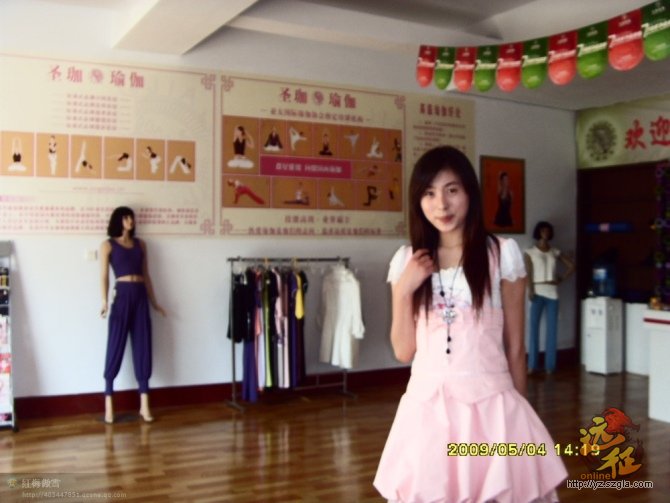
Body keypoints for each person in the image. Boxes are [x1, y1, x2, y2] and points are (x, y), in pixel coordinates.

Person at [374, 146, 567, 502]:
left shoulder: (502, 254)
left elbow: (515, 347)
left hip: (492, 410)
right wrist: (403, 290)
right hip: (427, 411)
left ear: (469, 192)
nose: (441, 205)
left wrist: (518, 420)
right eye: (429, 193)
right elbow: (403, 351)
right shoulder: (407, 261)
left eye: (452, 190)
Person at [100, 207, 166, 424]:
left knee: (143, 346)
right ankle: (109, 404)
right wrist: (104, 301)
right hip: (122, 297)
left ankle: (144, 406)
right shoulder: (108, 245)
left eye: (132, 217)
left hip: (140, 297)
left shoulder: (141, 244)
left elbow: (146, 274)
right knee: (115, 345)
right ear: (119, 220)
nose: (131, 221)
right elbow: (104, 276)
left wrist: (154, 302)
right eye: (126, 217)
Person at [524, 221, 575, 375]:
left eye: (547, 231)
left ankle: (550, 366)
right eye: (543, 231)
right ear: (538, 233)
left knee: (552, 330)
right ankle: (532, 364)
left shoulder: (555, 251)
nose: (545, 234)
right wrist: (530, 289)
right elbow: (528, 273)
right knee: (533, 328)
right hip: (537, 290)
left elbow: (572, 266)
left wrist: (561, 279)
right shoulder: (530, 252)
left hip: (552, 292)